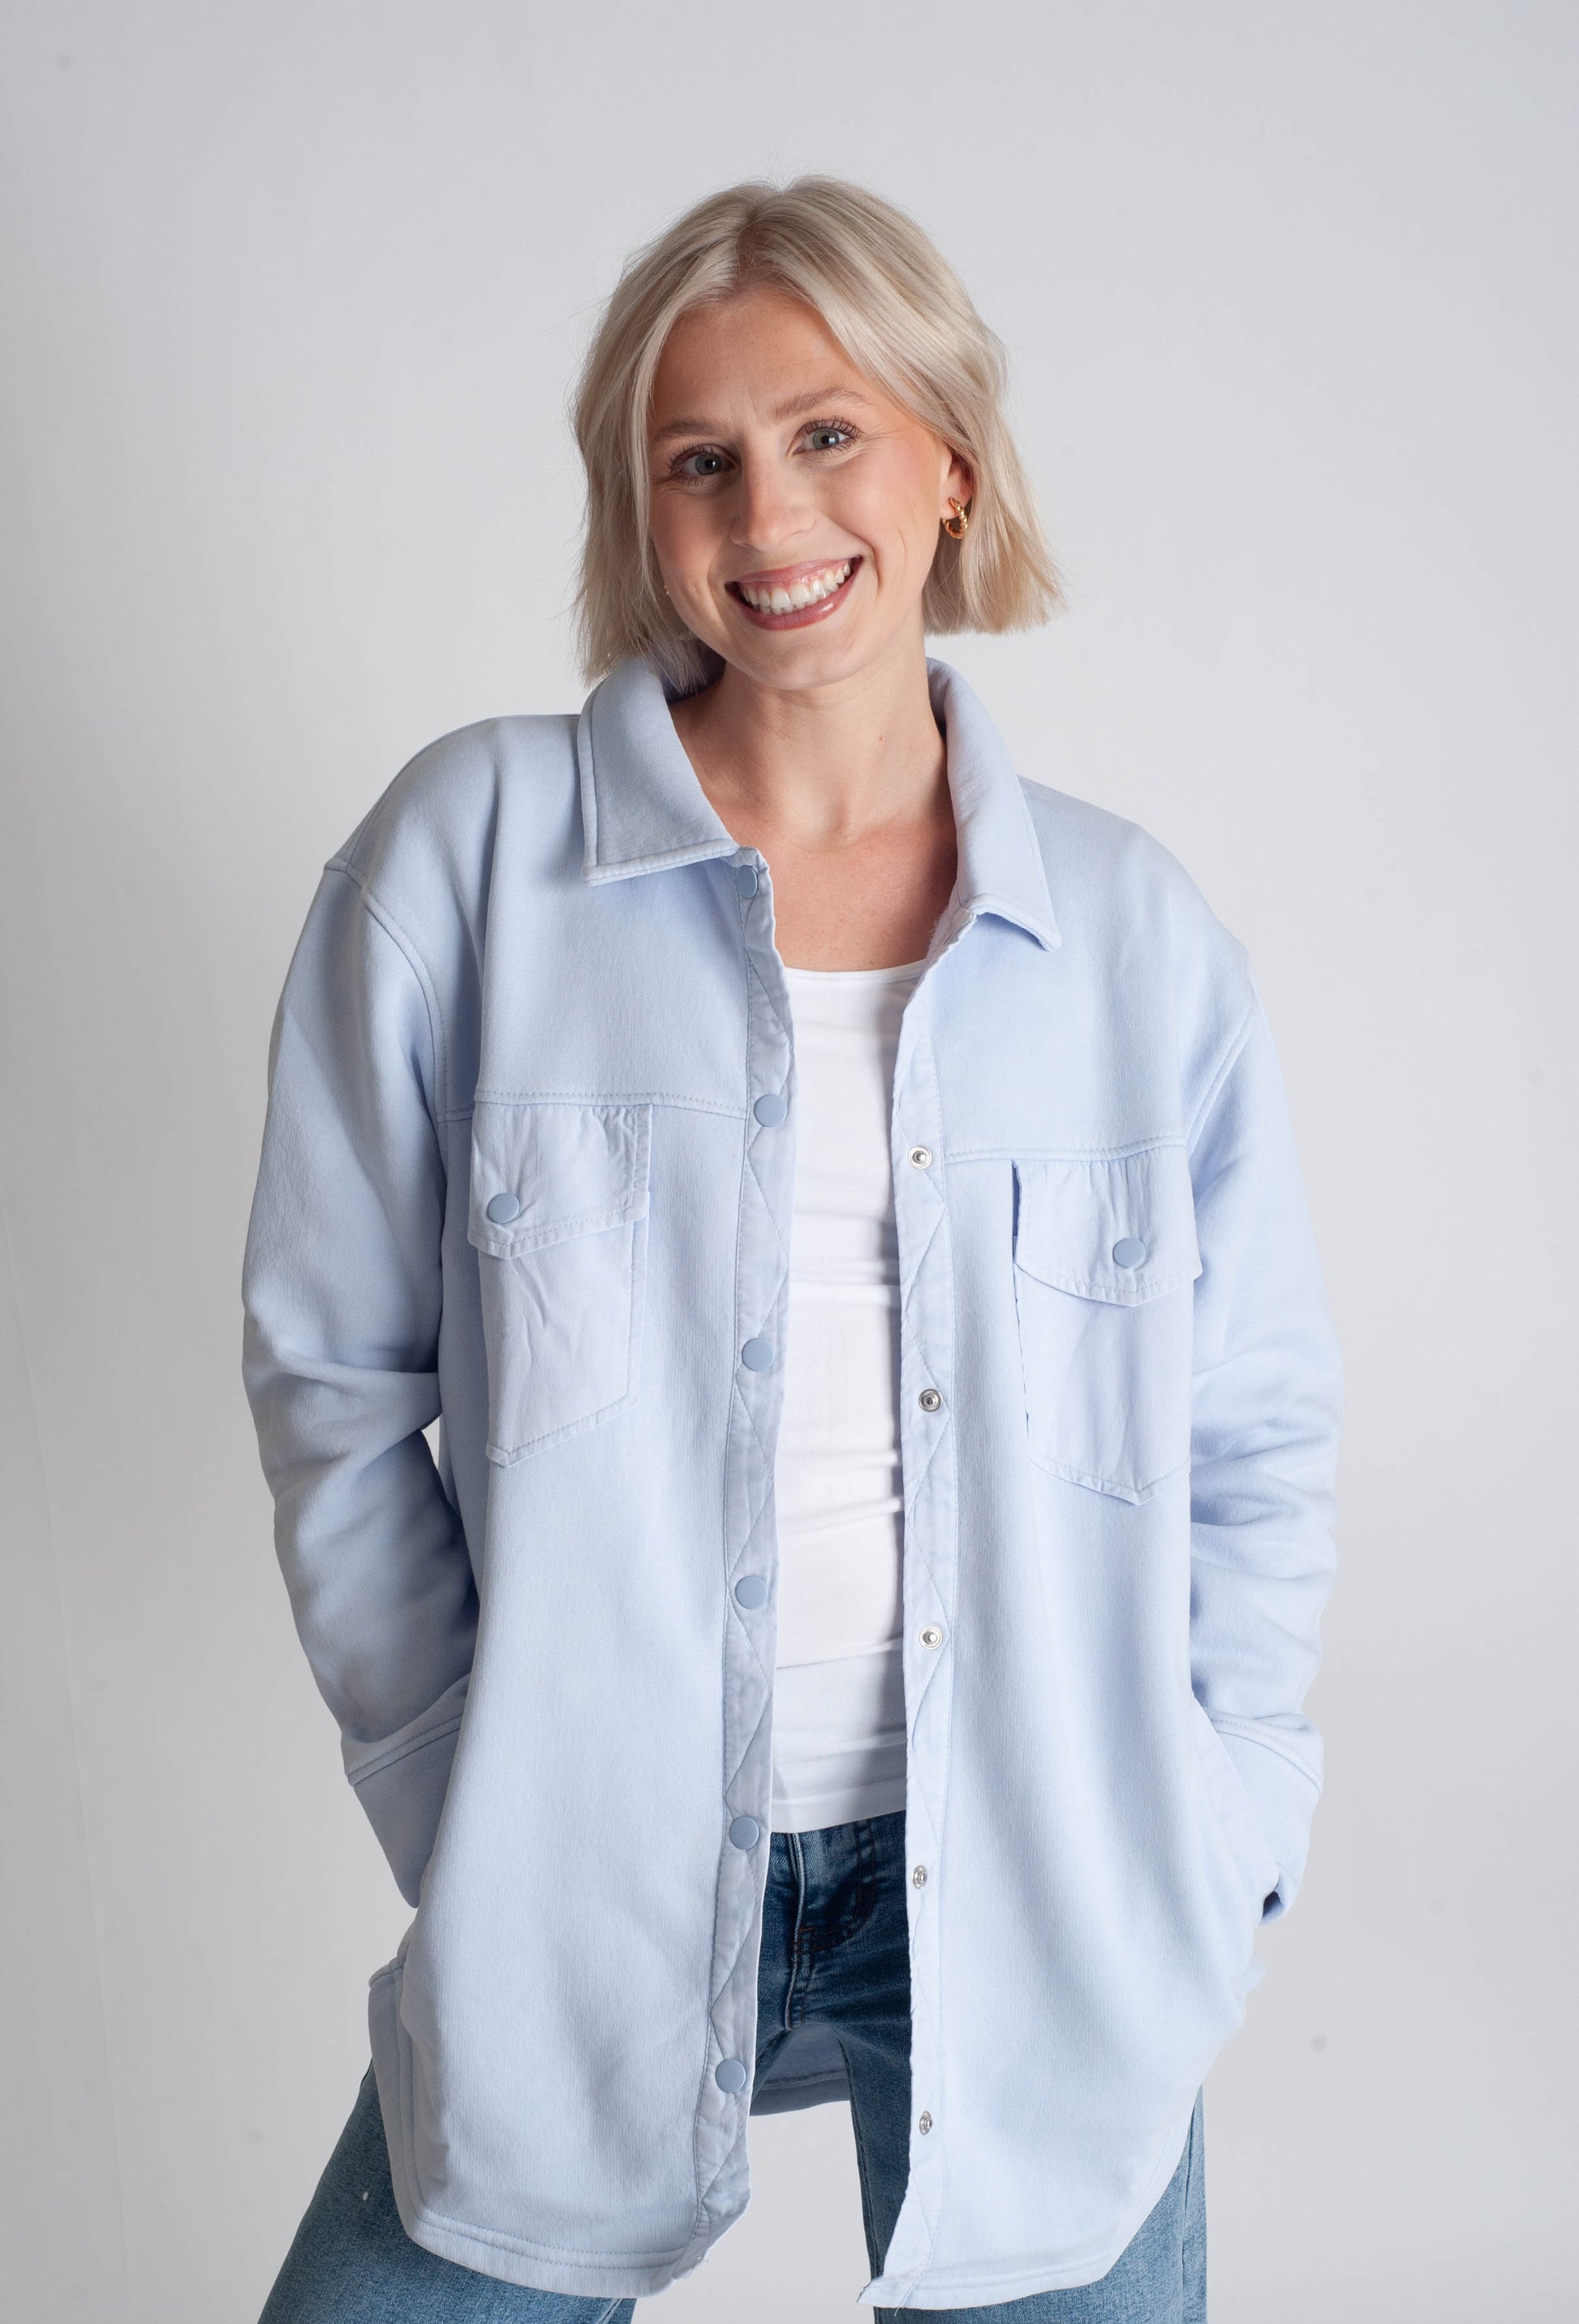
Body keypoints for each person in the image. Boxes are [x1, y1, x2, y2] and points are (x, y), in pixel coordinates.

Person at [242, 177, 1341, 2324]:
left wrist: (1224, 1831)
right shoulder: (463, 869)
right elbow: (334, 1382)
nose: (770, 507)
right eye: (698, 456)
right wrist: (461, 1780)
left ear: (946, 458)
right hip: (583, 1869)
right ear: (638, 512)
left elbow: (1255, 1432)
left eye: (827, 431)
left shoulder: (1131, 944)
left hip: (1040, 1883)